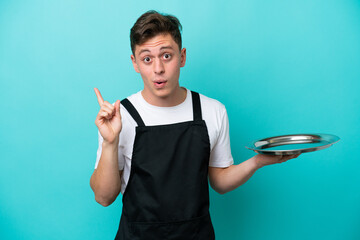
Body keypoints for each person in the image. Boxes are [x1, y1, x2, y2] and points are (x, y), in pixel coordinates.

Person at [90, 10, 300, 240]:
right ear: (135, 63)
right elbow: (103, 197)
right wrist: (111, 142)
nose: (158, 69)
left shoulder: (212, 111)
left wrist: (258, 161)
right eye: (147, 58)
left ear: (182, 57)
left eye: (166, 56)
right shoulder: (120, 117)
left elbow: (219, 181)